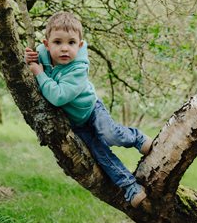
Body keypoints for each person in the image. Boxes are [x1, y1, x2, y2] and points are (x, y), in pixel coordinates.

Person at [24, 11, 152, 207]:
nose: (64, 48)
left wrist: (40, 74)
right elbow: (33, 58)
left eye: (71, 43)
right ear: (47, 44)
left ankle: (137, 138)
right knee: (100, 155)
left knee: (110, 135)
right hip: (77, 124)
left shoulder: (78, 68)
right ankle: (130, 186)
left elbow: (58, 97)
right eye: (58, 42)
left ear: (80, 45)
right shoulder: (43, 54)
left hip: (92, 109)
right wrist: (29, 58)